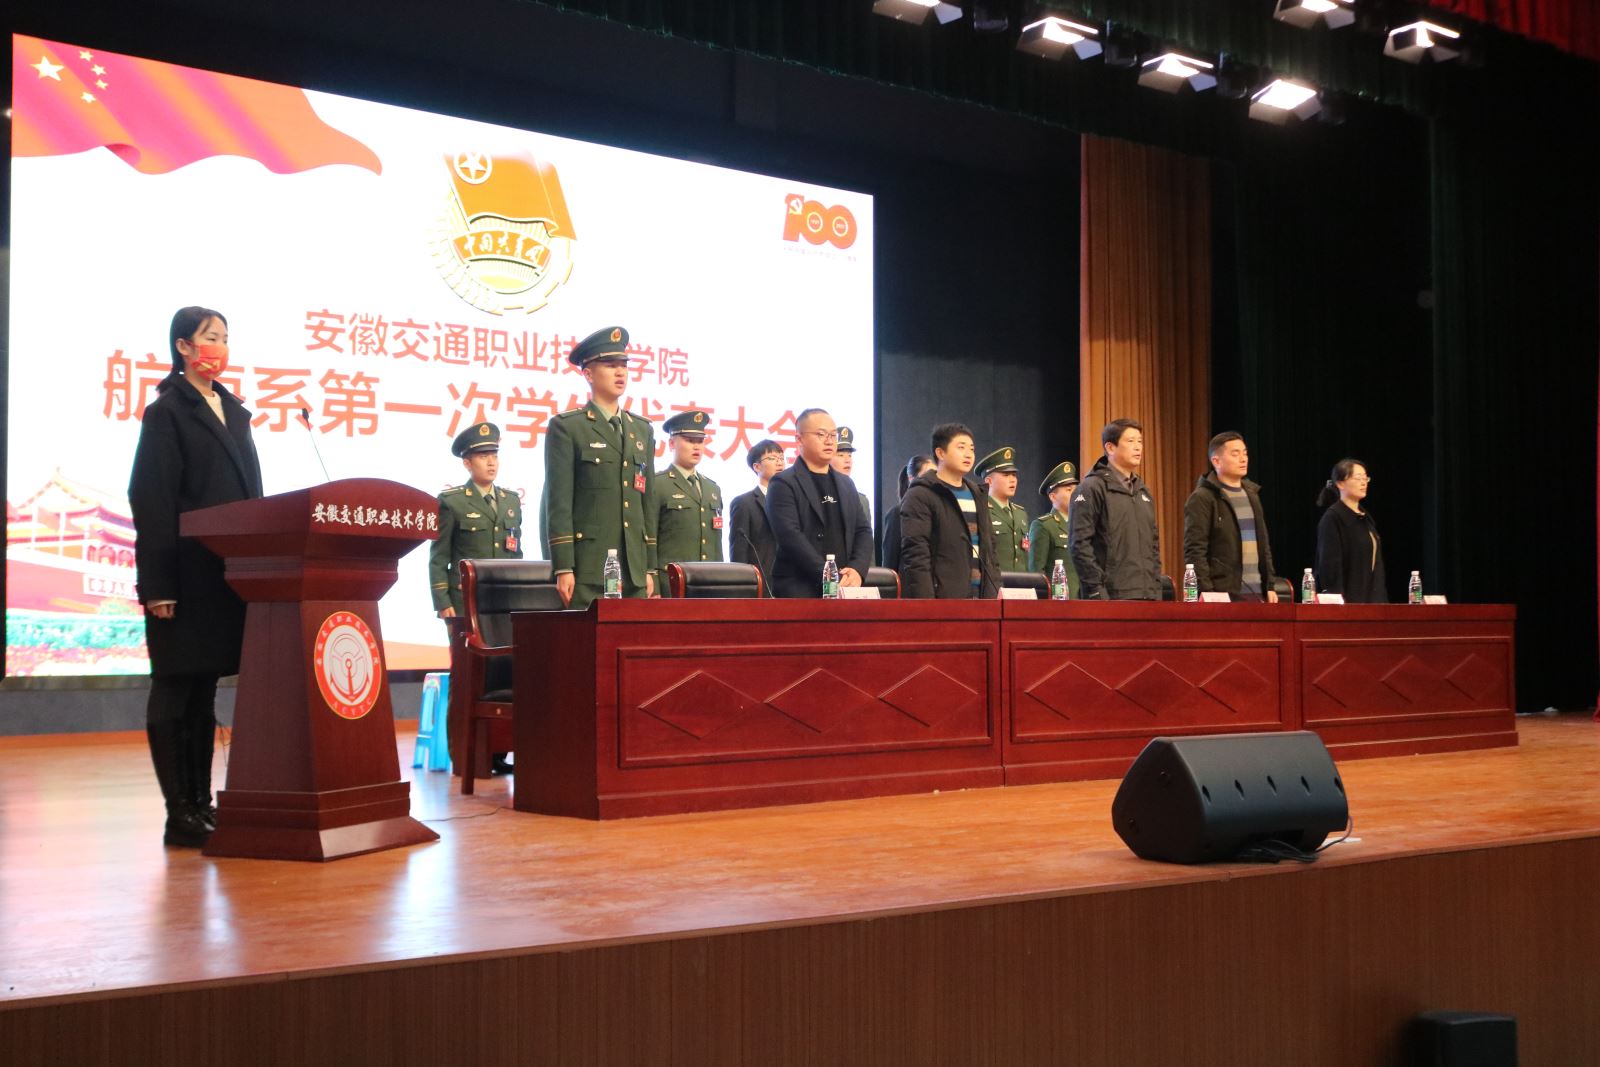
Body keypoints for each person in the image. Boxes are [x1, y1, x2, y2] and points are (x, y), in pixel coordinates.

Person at [128, 306, 263, 848]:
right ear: (183, 346)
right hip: (182, 577)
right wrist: (158, 584)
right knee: (175, 686)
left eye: (225, 337)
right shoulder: (167, 412)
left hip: (223, 575)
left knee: (204, 691)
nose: (220, 347)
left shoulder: (235, 412)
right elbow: (151, 499)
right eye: (210, 337)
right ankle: (177, 811)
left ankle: (200, 804)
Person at [543, 326, 657, 610]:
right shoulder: (568, 427)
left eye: (624, 365)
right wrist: (563, 567)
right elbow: (558, 503)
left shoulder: (641, 430)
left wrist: (650, 567)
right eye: (610, 365)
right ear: (588, 374)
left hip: (634, 568)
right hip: (589, 567)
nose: (620, 372)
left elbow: (647, 503)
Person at [765, 408, 874, 597]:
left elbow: (863, 530)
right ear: (799, 439)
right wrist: (829, 576)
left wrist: (857, 570)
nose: (829, 441)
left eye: (833, 435)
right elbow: (790, 536)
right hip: (799, 588)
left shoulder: (846, 483)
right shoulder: (783, 483)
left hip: (844, 588)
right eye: (821, 434)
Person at [430, 422, 523, 618]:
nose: (491, 463)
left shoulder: (512, 501)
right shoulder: (452, 502)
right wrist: (442, 602)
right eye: (483, 457)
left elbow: (516, 554)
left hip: (504, 599)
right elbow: (439, 558)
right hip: (465, 600)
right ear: (467, 463)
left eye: (494, 456)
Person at [898, 423, 1001, 599]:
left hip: (983, 599)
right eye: (961, 447)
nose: (968, 454)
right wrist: (927, 603)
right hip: (944, 600)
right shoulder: (921, 494)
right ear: (940, 453)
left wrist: (996, 591)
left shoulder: (977, 494)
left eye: (972, 449)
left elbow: (991, 550)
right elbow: (916, 556)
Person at [1069, 419, 1161, 600]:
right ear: (1110, 448)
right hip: (1110, 596)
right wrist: (1096, 591)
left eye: (1140, 441)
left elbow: (1154, 546)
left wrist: (1156, 588)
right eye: (1130, 441)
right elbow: (1079, 544)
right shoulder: (1091, 488)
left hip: (1147, 595)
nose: (1138, 447)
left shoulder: (1143, 491)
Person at [1181, 432, 1278, 602]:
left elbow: (1264, 545)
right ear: (1216, 461)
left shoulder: (1252, 495)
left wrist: (1269, 585)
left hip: (1257, 593)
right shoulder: (1203, 498)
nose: (1243, 459)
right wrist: (1207, 592)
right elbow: (1195, 550)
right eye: (1235, 454)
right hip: (1222, 594)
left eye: (1245, 453)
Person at [650, 409, 724, 595]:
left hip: (708, 585)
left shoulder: (712, 489)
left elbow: (717, 544)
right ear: (672, 443)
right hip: (671, 585)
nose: (696, 447)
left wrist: (722, 583)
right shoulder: (658, 484)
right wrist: (653, 584)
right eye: (690, 440)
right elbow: (648, 538)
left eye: (700, 441)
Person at [1314, 458, 1388, 603]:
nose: (1363, 482)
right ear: (1340, 483)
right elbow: (1330, 568)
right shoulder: (1333, 518)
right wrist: (1339, 605)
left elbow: (1376, 565)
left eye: (1365, 478)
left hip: (1372, 601)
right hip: (1347, 604)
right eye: (1358, 478)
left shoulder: (1365, 518)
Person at [728, 438, 782, 590]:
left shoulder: (794, 501)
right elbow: (739, 552)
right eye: (772, 458)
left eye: (781, 458)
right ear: (757, 466)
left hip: (791, 586)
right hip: (761, 585)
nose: (779, 462)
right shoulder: (744, 503)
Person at [1027, 461, 1081, 598]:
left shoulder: (1082, 525)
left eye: (1076, 489)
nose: (1074, 494)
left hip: (1083, 601)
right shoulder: (1044, 526)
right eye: (1069, 490)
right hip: (1058, 602)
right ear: (1053, 496)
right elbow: (1036, 573)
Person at [977, 446, 1030, 572]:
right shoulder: (981, 510)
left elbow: (1025, 553)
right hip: (994, 580)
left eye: (1014, 475)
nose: (1012, 480)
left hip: (1021, 581)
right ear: (989, 481)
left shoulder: (1020, 513)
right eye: (1006, 475)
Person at [880, 454, 934, 572]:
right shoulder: (897, 513)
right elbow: (890, 562)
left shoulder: (938, 511)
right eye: (927, 475)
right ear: (911, 478)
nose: (933, 480)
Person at [833, 424, 875, 564]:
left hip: (856, 571)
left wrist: (869, 572)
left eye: (849, 455)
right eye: (840, 455)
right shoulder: (819, 495)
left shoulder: (861, 500)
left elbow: (866, 543)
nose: (847, 460)